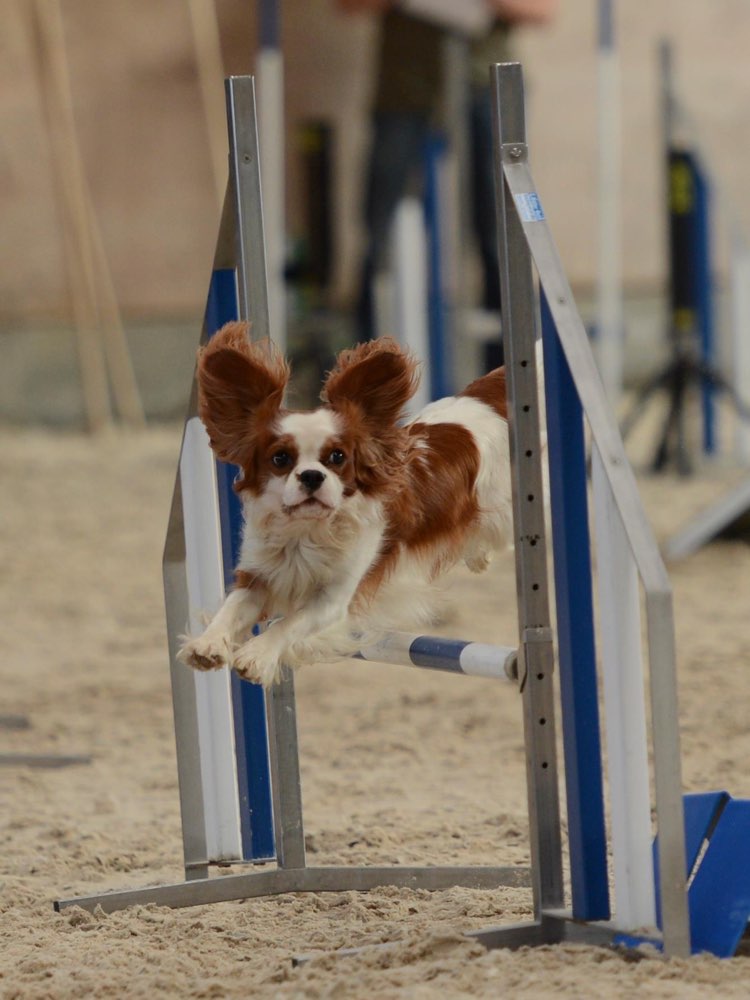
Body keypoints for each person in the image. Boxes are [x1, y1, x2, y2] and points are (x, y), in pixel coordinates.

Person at [339, 0, 557, 368]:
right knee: (381, 235)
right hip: (404, 92)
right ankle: (368, 372)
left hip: (485, 88)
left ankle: (509, 374)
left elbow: (540, 10)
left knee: (501, 235)